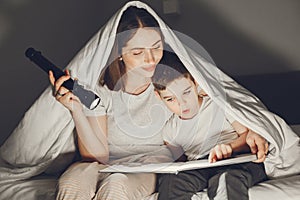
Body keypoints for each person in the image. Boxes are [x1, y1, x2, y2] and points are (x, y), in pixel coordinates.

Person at [48, 2, 269, 200]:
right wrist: (76, 109)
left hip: (148, 166)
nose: (151, 59)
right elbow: (97, 157)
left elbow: (220, 104)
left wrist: (250, 133)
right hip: (105, 164)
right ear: (119, 53)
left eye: (156, 47)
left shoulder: (169, 81)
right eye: (138, 52)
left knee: (117, 185)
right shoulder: (101, 89)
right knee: (72, 181)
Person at [152, 51, 268, 200]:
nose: (182, 104)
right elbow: (179, 164)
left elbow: (249, 137)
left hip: (236, 161)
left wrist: (230, 147)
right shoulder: (170, 130)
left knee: (226, 179)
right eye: (170, 99)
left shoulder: (219, 105)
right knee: (171, 181)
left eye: (186, 92)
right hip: (200, 166)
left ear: (196, 82)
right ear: (158, 96)